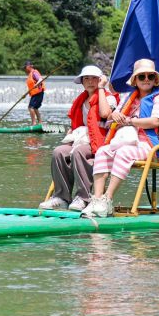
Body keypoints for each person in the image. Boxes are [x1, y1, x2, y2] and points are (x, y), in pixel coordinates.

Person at [82, 59, 159, 218]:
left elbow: (157, 121)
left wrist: (130, 121)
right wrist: (115, 115)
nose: (146, 79)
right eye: (141, 77)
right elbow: (112, 118)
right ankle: (97, 199)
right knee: (103, 151)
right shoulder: (129, 97)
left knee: (125, 152)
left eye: (150, 76)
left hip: (151, 145)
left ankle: (107, 199)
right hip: (126, 140)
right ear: (135, 80)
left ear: (155, 79)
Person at [39, 65, 118, 211]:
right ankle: (61, 197)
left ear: (100, 80)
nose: (90, 81)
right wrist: (69, 136)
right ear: (82, 82)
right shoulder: (81, 100)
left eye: (94, 78)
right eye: (86, 78)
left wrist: (101, 88)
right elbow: (77, 125)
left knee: (78, 152)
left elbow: (105, 113)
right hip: (82, 139)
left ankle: (83, 197)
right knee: (59, 151)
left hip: (101, 142)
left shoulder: (108, 97)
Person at [24, 61, 44, 125]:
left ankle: (34, 123)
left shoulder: (34, 72)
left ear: (29, 66)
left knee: (30, 107)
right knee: (35, 108)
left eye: (25, 67)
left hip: (38, 92)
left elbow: (40, 79)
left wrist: (37, 84)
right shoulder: (30, 74)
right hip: (36, 93)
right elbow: (31, 86)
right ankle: (40, 123)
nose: (25, 69)